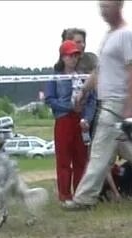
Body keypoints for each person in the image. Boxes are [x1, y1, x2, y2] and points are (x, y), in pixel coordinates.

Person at [65, 0, 132, 211]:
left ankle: (84, 198)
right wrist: (84, 90)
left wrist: (130, 105)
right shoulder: (108, 37)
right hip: (109, 101)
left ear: (119, 6)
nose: (103, 11)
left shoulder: (126, 35)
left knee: (100, 150)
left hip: (117, 102)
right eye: (101, 7)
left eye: (107, 6)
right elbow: (99, 71)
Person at [45, 40, 95, 207]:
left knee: (81, 158)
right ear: (63, 57)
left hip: (80, 121)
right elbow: (49, 99)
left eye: (76, 55)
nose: (74, 59)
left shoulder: (84, 76)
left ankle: (80, 194)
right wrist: (69, 106)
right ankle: (64, 195)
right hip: (63, 119)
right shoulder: (55, 76)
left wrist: (87, 118)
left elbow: (92, 99)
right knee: (64, 160)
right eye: (70, 55)